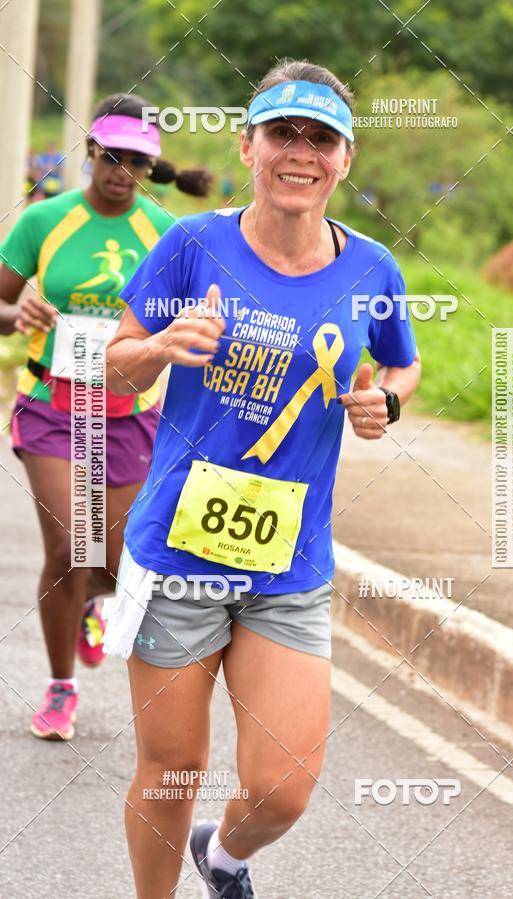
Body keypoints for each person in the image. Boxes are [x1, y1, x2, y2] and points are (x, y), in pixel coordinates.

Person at [105, 59, 421, 899]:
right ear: (249, 145)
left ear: (344, 159)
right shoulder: (191, 245)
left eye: (322, 138)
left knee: (283, 786)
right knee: (174, 767)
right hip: (178, 551)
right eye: (284, 132)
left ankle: (228, 855)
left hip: (291, 561)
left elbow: (400, 369)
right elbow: (117, 366)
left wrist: (381, 404)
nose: (301, 152)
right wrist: (160, 349)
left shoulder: (372, 270)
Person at [0, 92, 212, 742]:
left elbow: (201, 314)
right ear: (90, 152)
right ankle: (61, 687)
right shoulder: (45, 220)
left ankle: (92, 599)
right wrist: (19, 314)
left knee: (119, 563)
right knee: (70, 543)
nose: (122, 171)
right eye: (112, 157)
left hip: (128, 410)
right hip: (52, 404)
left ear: (152, 166)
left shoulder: (166, 233)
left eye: (137, 162)